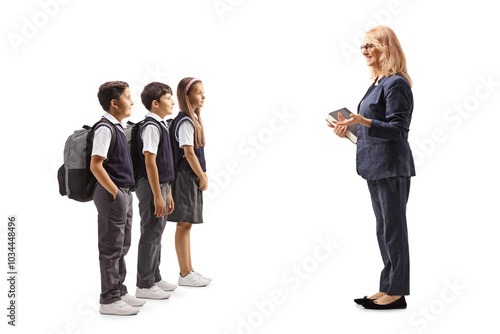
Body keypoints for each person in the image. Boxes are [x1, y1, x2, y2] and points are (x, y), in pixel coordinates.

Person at [329, 26, 415, 310]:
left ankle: (397, 292)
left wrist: (363, 122)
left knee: (394, 229)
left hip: (391, 167)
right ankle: (387, 287)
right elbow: (374, 130)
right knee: (383, 229)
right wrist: (350, 131)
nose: (364, 50)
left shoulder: (397, 83)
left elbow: (398, 130)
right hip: (374, 165)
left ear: (385, 48)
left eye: (370, 45)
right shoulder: (378, 83)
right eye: (363, 46)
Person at [90, 81, 144, 315]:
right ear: (114, 103)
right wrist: (114, 192)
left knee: (122, 244)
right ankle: (109, 300)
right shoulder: (105, 128)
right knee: (111, 247)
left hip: (123, 192)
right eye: (128, 97)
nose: (132, 102)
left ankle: (119, 291)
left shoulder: (118, 127)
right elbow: (95, 165)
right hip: (112, 192)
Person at [135, 82, 178, 300]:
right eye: (168, 98)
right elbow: (150, 162)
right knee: (150, 233)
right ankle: (144, 284)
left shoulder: (161, 125)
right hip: (151, 186)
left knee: (157, 233)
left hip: (161, 186)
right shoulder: (151, 126)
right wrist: (158, 195)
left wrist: (167, 192)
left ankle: (155, 276)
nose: (173, 102)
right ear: (155, 103)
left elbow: (163, 164)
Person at [168, 77, 211, 287]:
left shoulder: (192, 118)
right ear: (187, 96)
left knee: (187, 224)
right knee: (183, 224)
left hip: (189, 176)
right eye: (199, 92)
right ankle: (185, 273)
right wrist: (202, 175)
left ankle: (188, 270)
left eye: (203, 92)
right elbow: (189, 152)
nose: (203, 96)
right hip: (185, 176)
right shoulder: (185, 120)